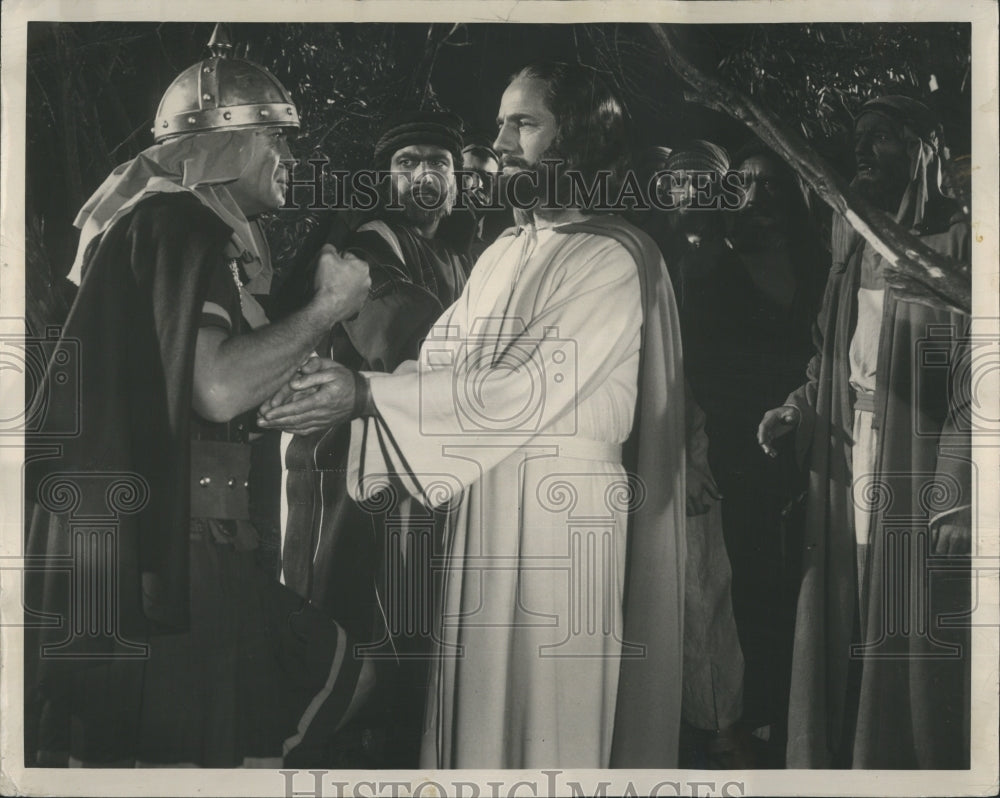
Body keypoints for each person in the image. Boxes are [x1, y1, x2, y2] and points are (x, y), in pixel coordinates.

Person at [259, 60, 687, 769]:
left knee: (548, 710)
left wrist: (368, 397)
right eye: (500, 123)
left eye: (522, 122)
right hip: (482, 505)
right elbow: (438, 365)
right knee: (472, 713)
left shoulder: (612, 259)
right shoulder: (502, 253)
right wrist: (333, 392)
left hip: (562, 519)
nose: (501, 140)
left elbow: (524, 389)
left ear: (577, 137)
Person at [23, 29, 373, 767]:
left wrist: (271, 391)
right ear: (233, 142)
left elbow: (190, 384)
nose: (290, 158)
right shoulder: (179, 224)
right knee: (213, 753)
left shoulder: (155, 227)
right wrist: (328, 309)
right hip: (180, 552)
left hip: (155, 541)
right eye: (277, 137)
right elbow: (215, 386)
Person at [757, 95, 971, 768]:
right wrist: (797, 406)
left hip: (919, 458)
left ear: (920, 150)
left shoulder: (962, 243)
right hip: (850, 454)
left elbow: (983, 377)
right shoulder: (852, 241)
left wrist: (955, 488)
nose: (861, 149)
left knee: (907, 616)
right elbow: (830, 352)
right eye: (858, 136)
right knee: (845, 610)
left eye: (879, 136)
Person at [279, 109, 474, 766]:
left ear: (457, 178)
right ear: (385, 179)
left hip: (421, 463)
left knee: (413, 625)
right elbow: (406, 336)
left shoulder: (452, 253)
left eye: (438, 163)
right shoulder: (366, 247)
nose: (425, 175)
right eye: (408, 162)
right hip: (361, 470)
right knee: (360, 620)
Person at [676, 141, 829, 762]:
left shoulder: (822, 267)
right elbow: (692, 373)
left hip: (815, 442)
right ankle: (751, 719)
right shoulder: (711, 272)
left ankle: (803, 718)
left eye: (772, 187)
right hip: (739, 452)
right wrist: (695, 451)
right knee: (749, 587)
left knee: (809, 580)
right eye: (744, 185)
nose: (757, 199)